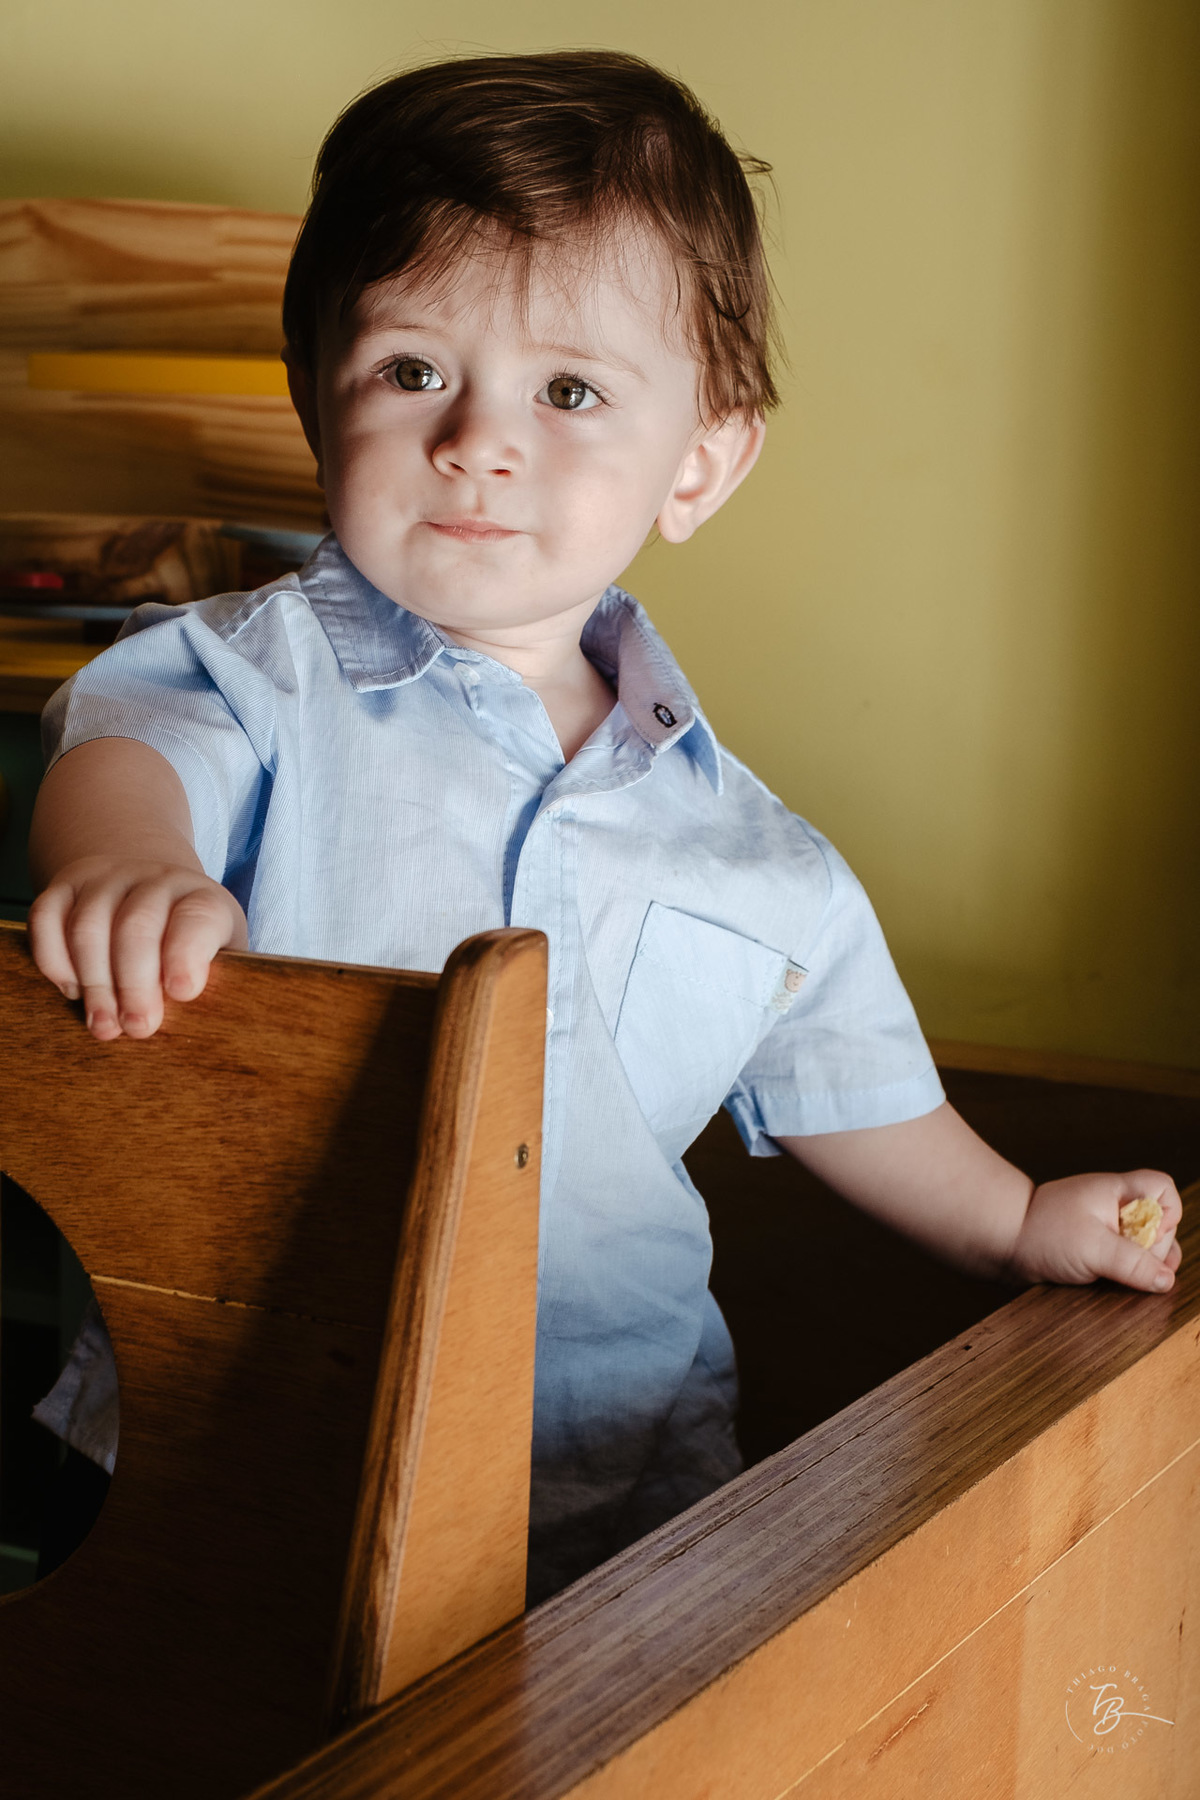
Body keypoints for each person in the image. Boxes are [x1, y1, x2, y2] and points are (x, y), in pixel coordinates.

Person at [26, 51, 1182, 1602]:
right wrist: (128, 865)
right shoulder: (263, 673)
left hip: (616, 1489)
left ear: (699, 459)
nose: (478, 439)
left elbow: (843, 1079)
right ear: (317, 400)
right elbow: (129, 745)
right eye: (412, 372)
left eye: (568, 391)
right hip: (241, 1460)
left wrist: (1013, 1217)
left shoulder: (752, 852)